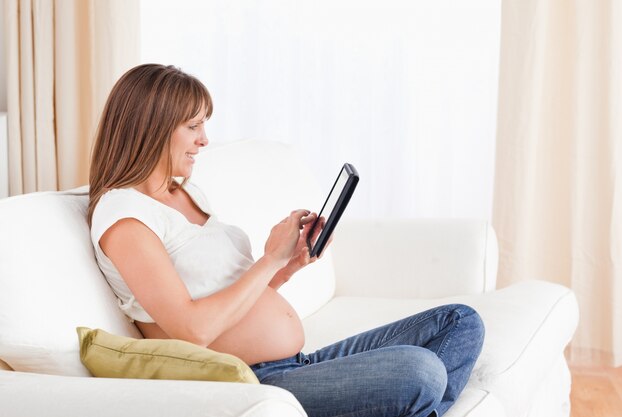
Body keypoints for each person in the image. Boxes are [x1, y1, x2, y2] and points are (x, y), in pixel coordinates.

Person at [88, 63, 485, 417]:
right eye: (193, 126)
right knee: (421, 371)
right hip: (259, 387)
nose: (205, 140)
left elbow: (234, 300)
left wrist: (288, 264)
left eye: (204, 125)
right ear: (150, 127)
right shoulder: (126, 219)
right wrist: (270, 260)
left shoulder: (185, 193)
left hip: (300, 363)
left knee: (461, 322)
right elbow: (194, 330)